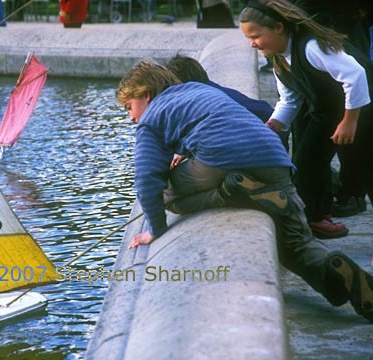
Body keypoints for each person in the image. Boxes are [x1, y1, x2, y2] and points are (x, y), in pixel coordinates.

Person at [117, 58, 373, 323]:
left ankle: (231, 192)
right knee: (296, 245)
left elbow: (147, 179)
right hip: (274, 159)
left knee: (164, 193)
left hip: (223, 160)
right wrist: (185, 152)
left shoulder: (150, 118)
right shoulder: (200, 90)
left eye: (129, 107)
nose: (131, 117)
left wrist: (155, 230)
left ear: (146, 95)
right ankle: (343, 276)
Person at [239, 0, 372, 239]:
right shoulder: (280, 58)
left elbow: (356, 75)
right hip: (329, 111)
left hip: (362, 109)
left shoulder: (312, 46)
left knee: (366, 171)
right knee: (306, 164)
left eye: (256, 36)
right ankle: (318, 217)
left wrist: (350, 121)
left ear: (279, 28)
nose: (252, 44)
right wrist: (270, 127)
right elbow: (290, 101)